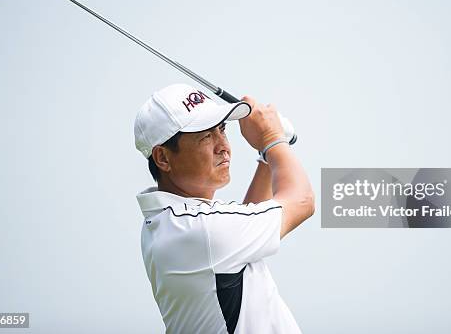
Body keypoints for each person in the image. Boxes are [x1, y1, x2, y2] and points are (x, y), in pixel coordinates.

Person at [133, 83, 315, 334]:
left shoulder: (172, 222)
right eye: (206, 136)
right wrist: (273, 139)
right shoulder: (202, 229)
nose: (223, 146)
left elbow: (243, 230)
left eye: (222, 130)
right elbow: (302, 201)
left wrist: (266, 155)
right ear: (163, 158)